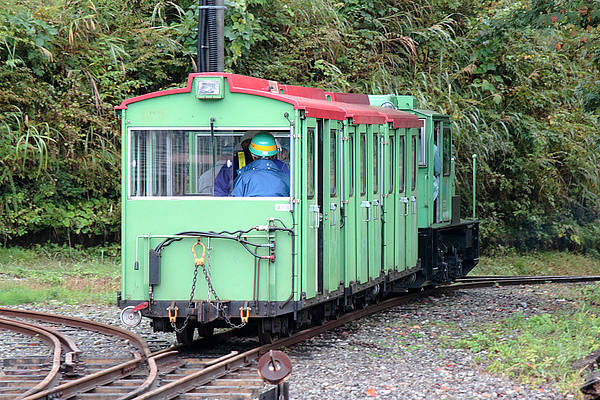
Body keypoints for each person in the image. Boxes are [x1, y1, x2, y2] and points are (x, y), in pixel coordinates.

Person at [215, 132, 289, 196]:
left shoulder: (243, 178)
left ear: (252, 154)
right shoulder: (285, 176)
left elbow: (234, 203)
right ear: (274, 154)